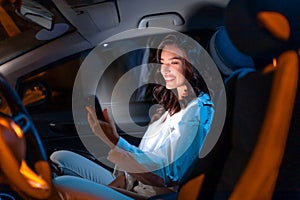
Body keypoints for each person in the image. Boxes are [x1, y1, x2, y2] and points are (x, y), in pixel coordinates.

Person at [51, 34, 214, 199]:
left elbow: (167, 175)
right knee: (61, 158)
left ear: (192, 66)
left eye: (174, 62)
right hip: (133, 184)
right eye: (163, 63)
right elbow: (145, 156)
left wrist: (114, 141)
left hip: (151, 196)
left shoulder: (198, 112)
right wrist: (117, 183)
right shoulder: (168, 107)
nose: (165, 69)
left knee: (62, 185)